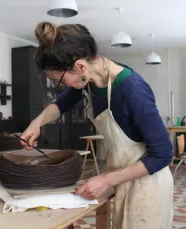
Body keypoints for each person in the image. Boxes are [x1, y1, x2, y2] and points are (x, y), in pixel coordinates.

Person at [20, 22, 173, 229]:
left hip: (148, 182)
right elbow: (60, 105)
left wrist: (106, 180)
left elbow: (163, 154)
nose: (62, 86)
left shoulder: (132, 89)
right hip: (120, 176)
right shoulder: (87, 79)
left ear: (80, 66)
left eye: (60, 81)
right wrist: (35, 123)